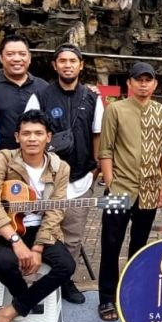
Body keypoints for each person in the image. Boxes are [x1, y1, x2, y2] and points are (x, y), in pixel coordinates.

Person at [0, 110, 75, 322]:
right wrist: (15, 241)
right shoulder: (4, 158)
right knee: (5, 261)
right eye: (26, 133)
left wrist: (38, 247)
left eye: (38, 133)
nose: (32, 138)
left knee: (66, 265)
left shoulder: (59, 167)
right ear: (17, 136)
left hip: (40, 231)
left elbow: (56, 211)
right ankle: (26, 299)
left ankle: (6, 314)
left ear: (48, 137)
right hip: (4, 229)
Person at [25, 43, 103, 305]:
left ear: (81, 65)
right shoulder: (41, 96)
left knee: (73, 235)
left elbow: (97, 134)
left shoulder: (92, 98)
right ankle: (41, 281)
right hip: (48, 179)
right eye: (62, 61)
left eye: (73, 61)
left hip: (81, 178)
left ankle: (66, 282)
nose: (67, 65)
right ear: (54, 65)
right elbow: (30, 135)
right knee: (45, 231)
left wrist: (95, 168)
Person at [96, 62, 162, 321]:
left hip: (150, 190)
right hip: (119, 188)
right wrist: (110, 184)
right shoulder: (115, 110)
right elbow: (105, 150)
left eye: (148, 80)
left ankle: (133, 292)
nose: (143, 84)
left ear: (154, 84)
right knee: (110, 243)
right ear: (129, 82)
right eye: (138, 79)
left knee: (139, 245)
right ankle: (107, 298)